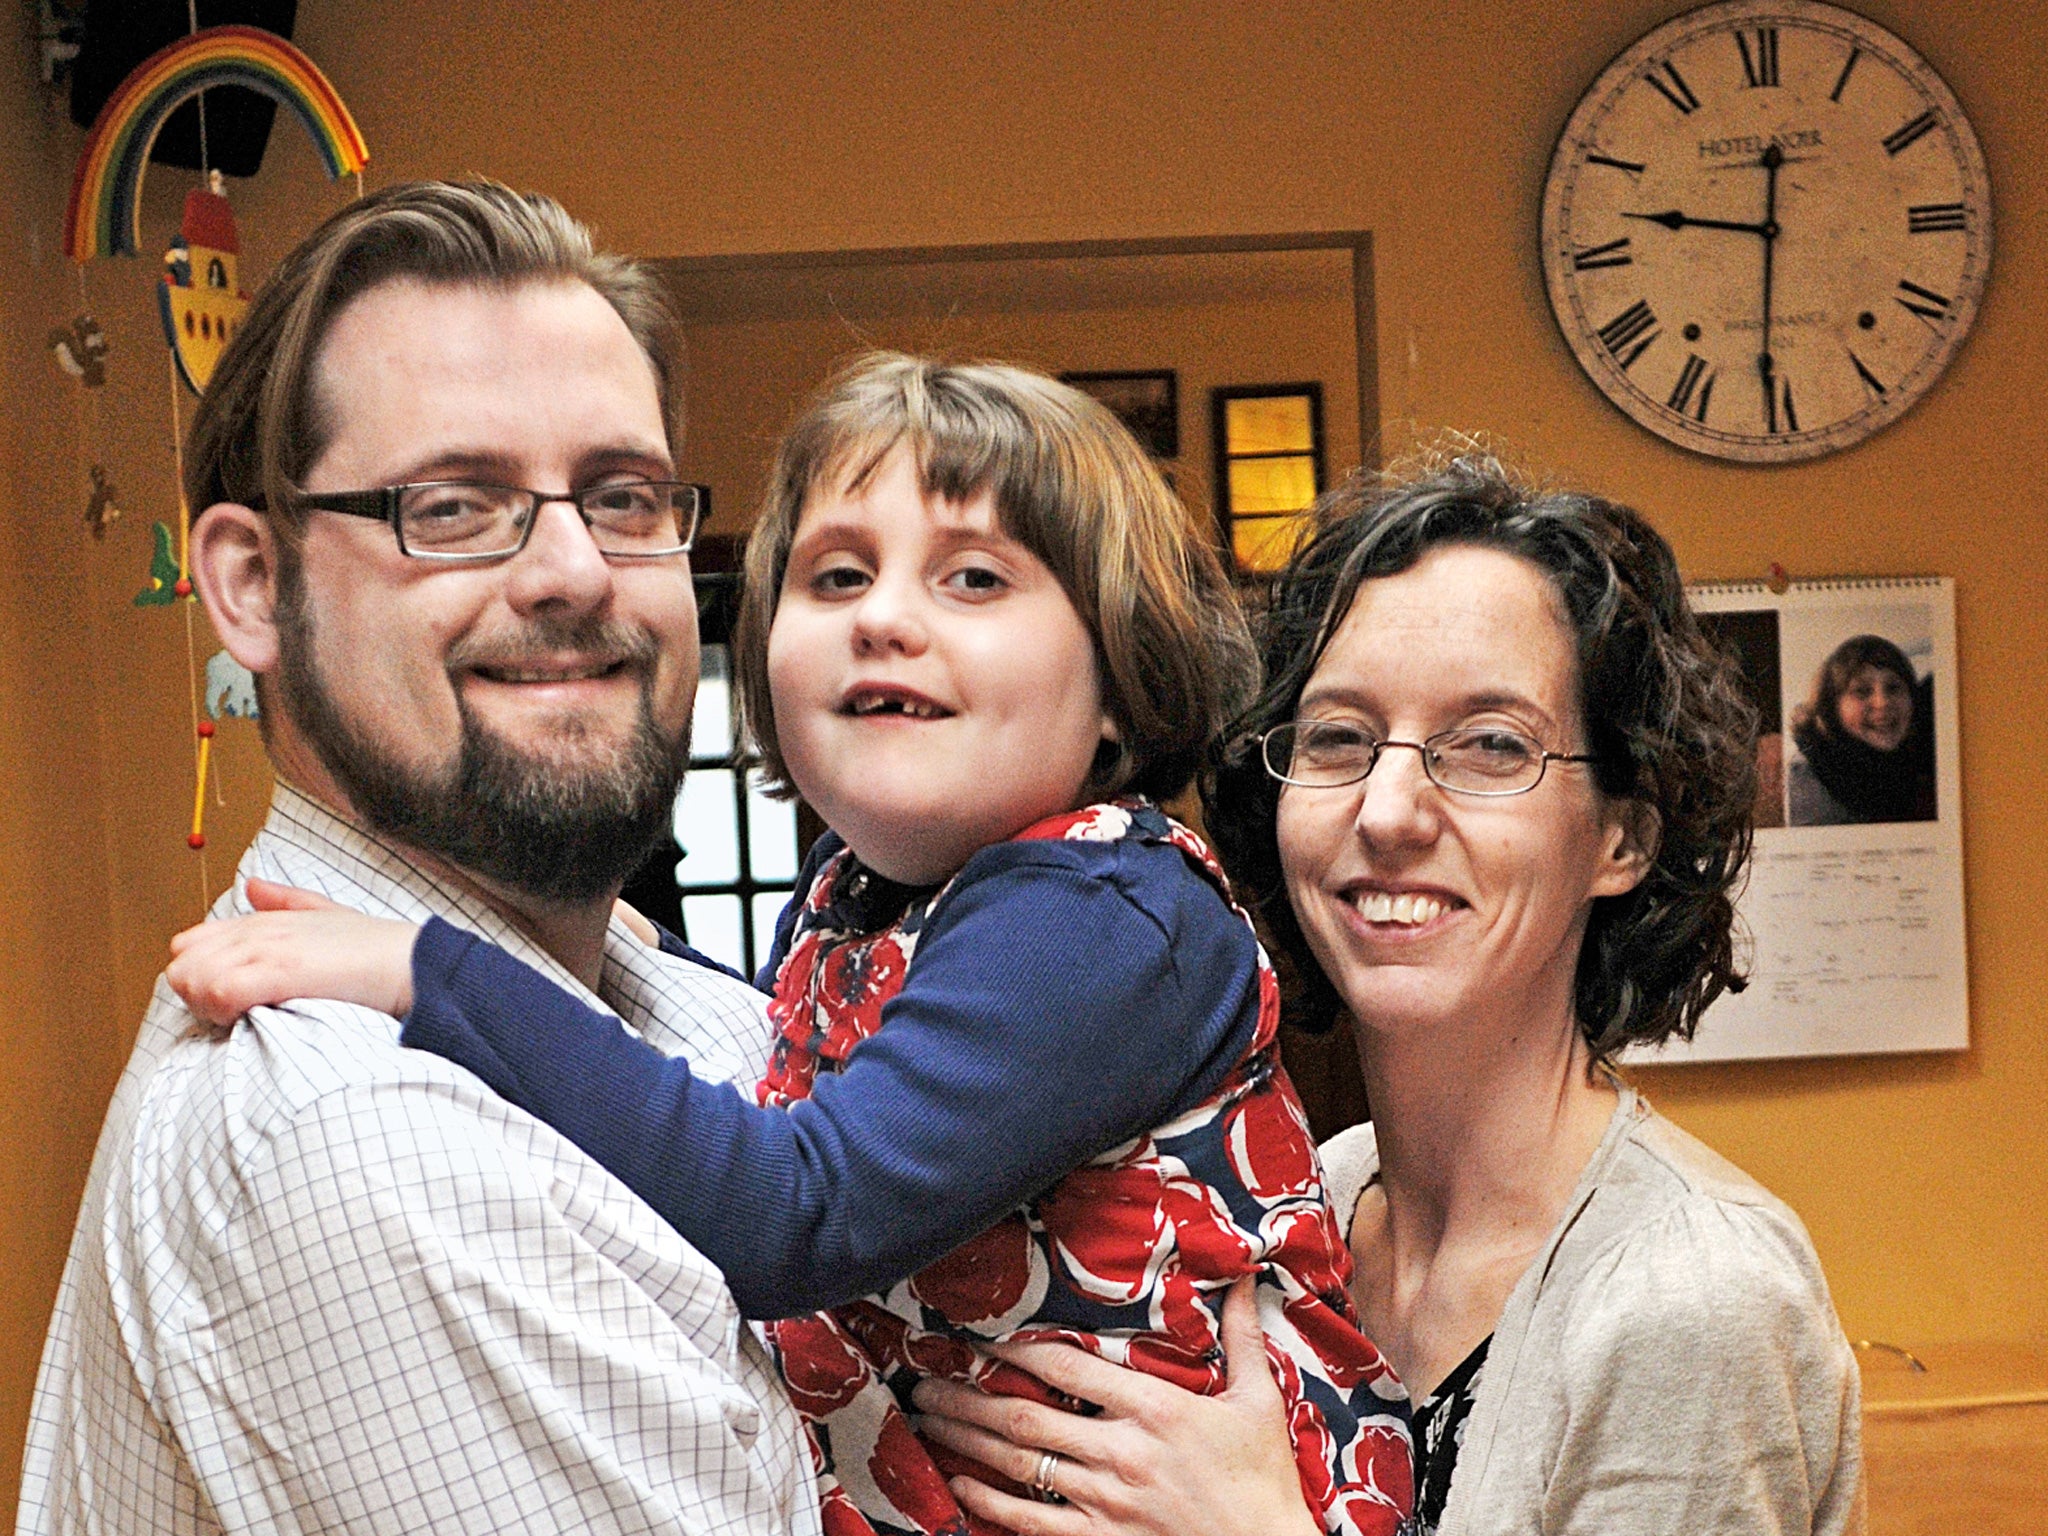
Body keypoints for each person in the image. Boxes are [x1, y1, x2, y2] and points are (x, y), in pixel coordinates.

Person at [162, 354, 1417, 1536]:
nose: (885, 619)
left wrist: (429, 971)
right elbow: (826, 1063)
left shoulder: (1099, 920)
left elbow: (793, 1211)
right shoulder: (866, 893)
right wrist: (626, 952)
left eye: (973, 578)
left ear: (1114, 685)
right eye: (834, 577)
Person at [18, 182, 821, 1536]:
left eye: (623, 497)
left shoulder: (678, 997)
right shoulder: (370, 1139)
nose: (574, 570)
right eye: (453, 506)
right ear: (252, 588)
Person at [911, 454, 1867, 1536]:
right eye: (1337, 739)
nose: (1389, 812)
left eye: (1489, 746)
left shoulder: (1686, 1298)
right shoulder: (1302, 1198)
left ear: (1620, 836)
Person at [1788, 633, 1937, 825]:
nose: (1882, 702)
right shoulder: (1808, 779)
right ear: (1831, 706)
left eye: (1893, 688)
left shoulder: (1919, 761)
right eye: (1862, 691)